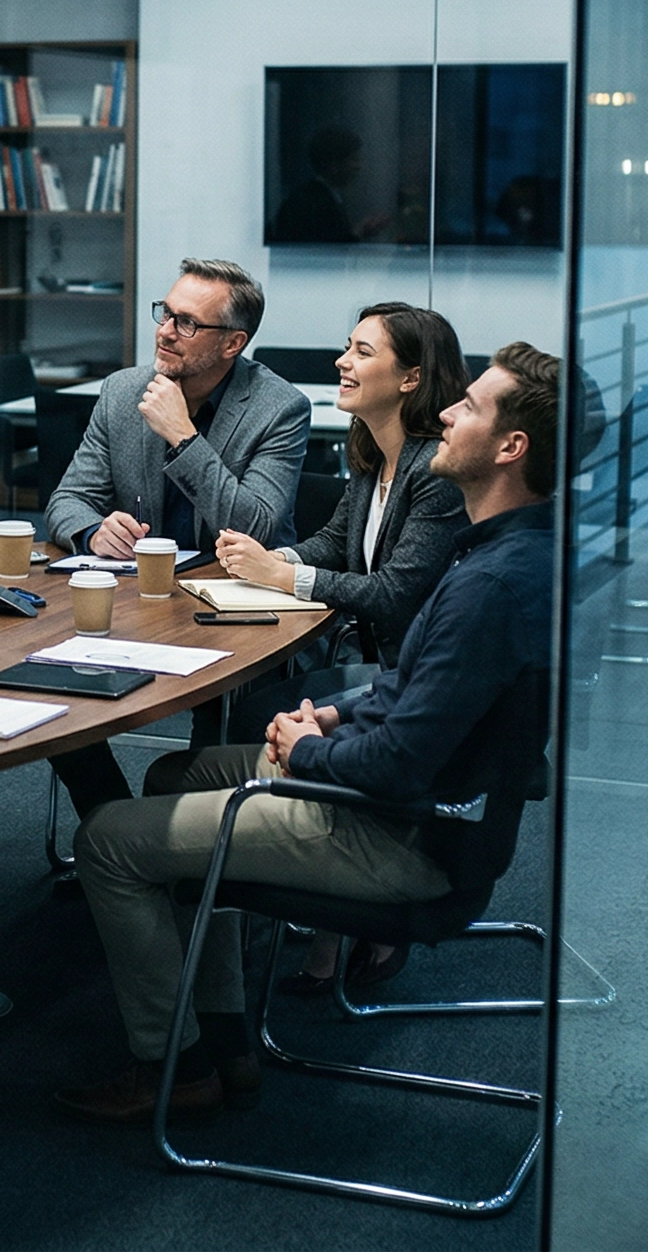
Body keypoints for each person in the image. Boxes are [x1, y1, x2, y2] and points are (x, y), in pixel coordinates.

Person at [54, 342, 561, 1124]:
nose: (450, 413)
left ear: (509, 448)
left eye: (471, 407)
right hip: (401, 799)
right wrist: (333, 713)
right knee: (172, 778)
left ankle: (175, 1065)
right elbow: (411, 690)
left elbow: (397, 762)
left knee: (108, 843)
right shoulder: (504, 549)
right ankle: (224, 1032)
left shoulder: (489, 584)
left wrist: (307, 749)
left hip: (401, 835)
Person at [206, 304, 470, 993]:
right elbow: (334, 544)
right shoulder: (373, 456)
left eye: (360, 352)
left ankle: (342, 893)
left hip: (402, 677)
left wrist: (284, 575)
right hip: (369, 661)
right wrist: (269, 557)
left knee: (260, 712)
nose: (340, 364)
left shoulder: (433, 474)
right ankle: (311, 873)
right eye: (346, 349)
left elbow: (395, 594)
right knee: (257, 709)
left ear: (411, 378)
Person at [40, 260, 311, 827]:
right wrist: (94, 531)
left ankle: (176, 851)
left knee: (217, 742)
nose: (164, 330)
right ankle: (111, 827)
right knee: (44, 690)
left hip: (237, 614)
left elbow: (255, 525)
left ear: (233, 343)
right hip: (140, 606)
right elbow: (65, 501)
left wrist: (182, 434)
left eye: (188, 323)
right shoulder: (121, 393)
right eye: (166, 313)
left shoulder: (278, 408)